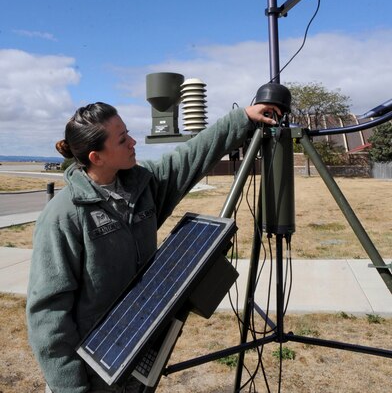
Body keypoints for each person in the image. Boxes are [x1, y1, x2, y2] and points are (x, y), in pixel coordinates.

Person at [26, 100, 281, 393]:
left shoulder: (142, 186)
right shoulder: (64, 216)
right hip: (91, 374)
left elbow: (189, 157)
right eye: (122, 140)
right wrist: (70, 388)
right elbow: (47, 315)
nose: (134, 142)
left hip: (136, 352)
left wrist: (242, 119)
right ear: (97, 157)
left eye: (128, 133)